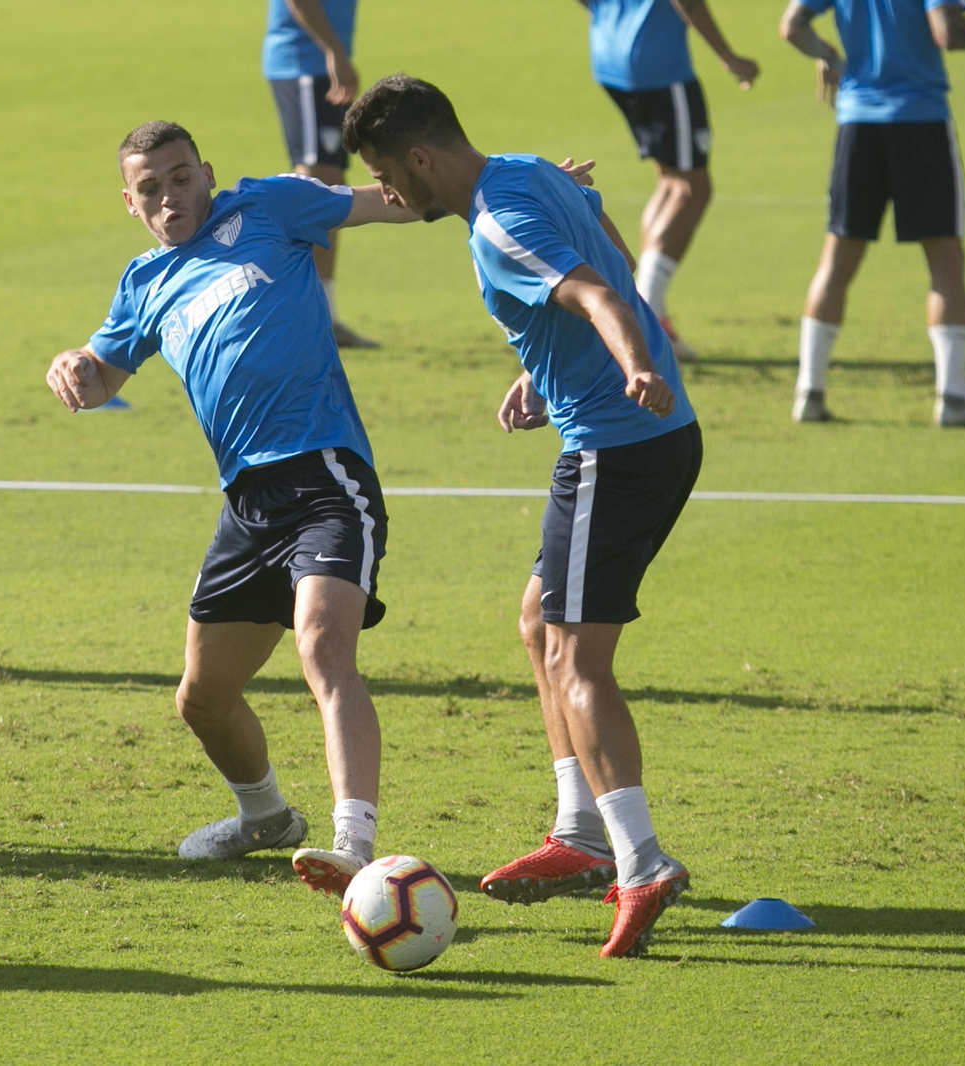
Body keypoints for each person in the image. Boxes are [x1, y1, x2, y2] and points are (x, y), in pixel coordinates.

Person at [344, 74, 700, 958]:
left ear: (422, 157)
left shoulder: (500, 225)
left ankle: (642, 861)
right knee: (539, 623)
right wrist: (547, 363)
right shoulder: (529, 172)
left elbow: (601, 295)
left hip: (617, 450)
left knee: (579, 660)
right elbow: (603, 238)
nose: (390, 195)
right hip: (638, 437)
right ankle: (579, 836)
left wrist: (633, 364)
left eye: (390, 176)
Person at [46, 122, 420, 897]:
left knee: (323, 650)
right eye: (151, 188)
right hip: (247, 507)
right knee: (203, 699)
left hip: (325, 477)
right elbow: (105, 373)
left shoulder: (271, 208)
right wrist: (75, 368)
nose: (169, 196)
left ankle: (355, 840)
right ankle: (267, 818)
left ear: (206, 174)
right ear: (131, 202)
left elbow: (394, 200)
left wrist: (505, 185)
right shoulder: (144, 285)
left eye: (181, 178)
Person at [779, 0, 965, 425]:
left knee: (837, 260)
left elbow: (792, 25)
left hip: (857, 122)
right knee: (945, 260)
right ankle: (953, 399)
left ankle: (809, 392)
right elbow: (948, 35)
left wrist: (828, 54)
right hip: (920, 121)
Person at [578, 0, 760, 360]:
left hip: (610, 55)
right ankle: (645, 317)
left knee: (670, 180)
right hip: (657, 64)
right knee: (693, 189)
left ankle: (652, 311)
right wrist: (728, 57)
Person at [262, 0, 378, 348]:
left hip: (318, 64)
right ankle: (307, 318)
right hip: (304, 61)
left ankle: (321, 316)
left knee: (329, 185)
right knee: (318, 189)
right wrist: (333, 52)